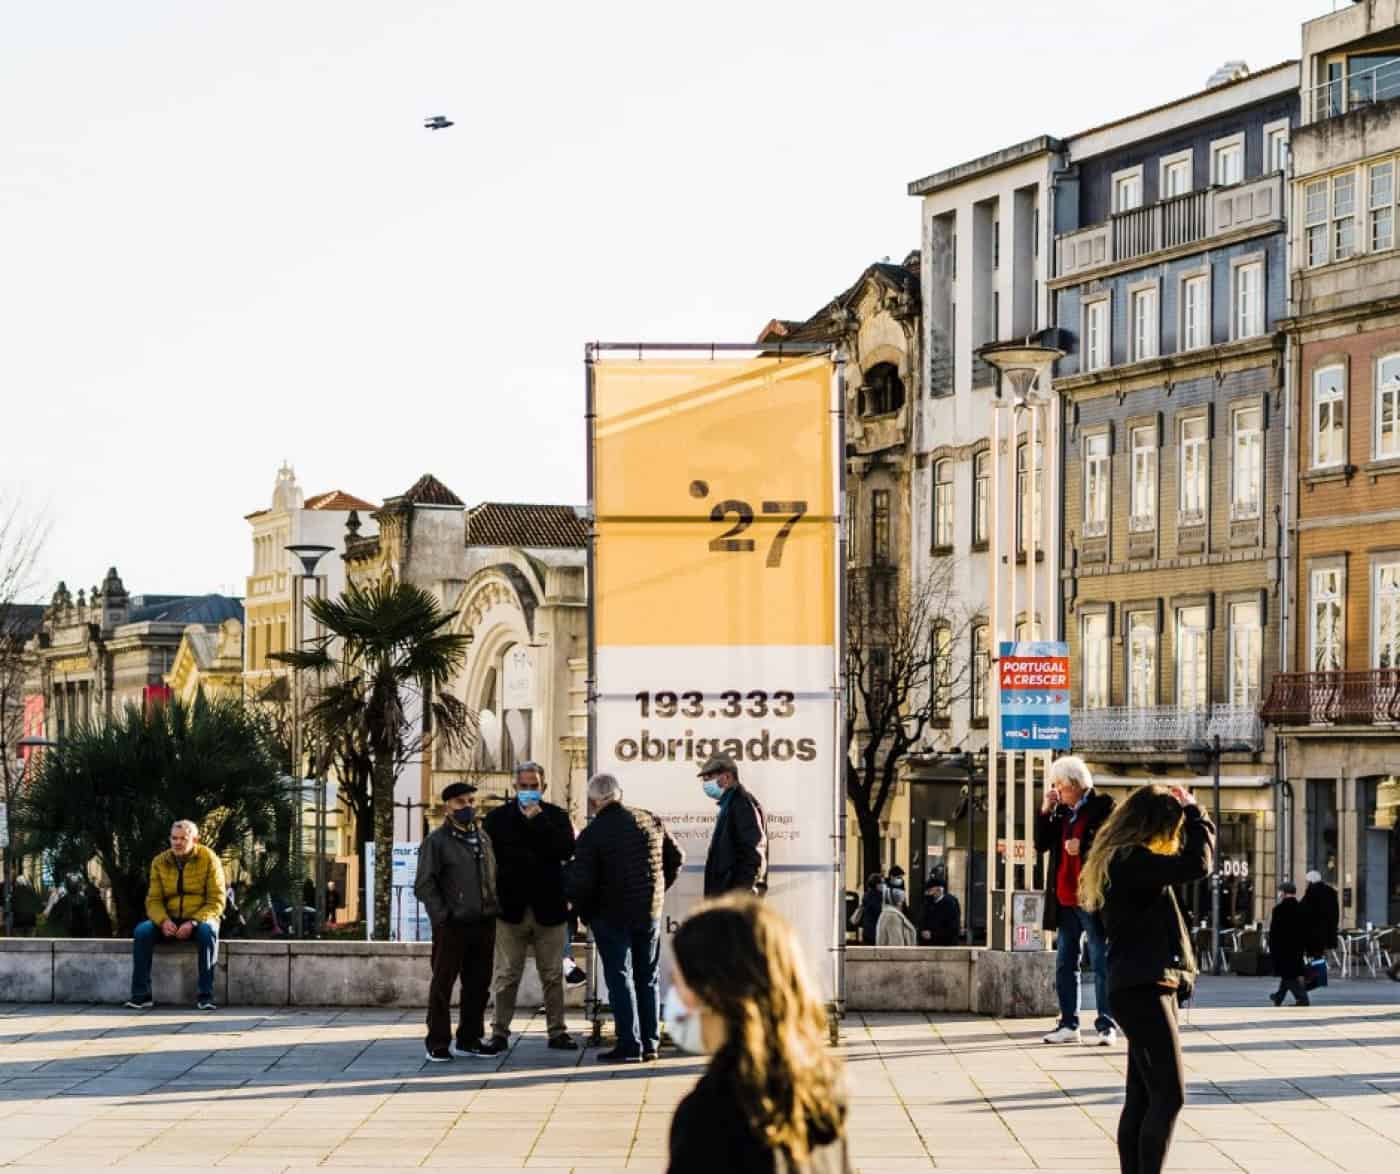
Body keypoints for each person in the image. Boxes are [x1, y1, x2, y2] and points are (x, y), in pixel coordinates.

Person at [1080, 783, 1215, 1174]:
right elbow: (1196, 865)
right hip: (1144, 989)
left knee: (1141, 1098)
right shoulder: (1131, 862)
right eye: (1170, 828)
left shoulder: (1119, 860)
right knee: (1169, 1096)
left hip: (1139, 985)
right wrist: (1195, 813)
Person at [664, 896, 849, 1173]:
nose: (674, 997)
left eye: (678, 983)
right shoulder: (820, 1094)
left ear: (713, 993)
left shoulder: (710, 1116)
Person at [565, 772, 683, 1063]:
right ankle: (650, 1043)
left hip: (611, 915)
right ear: (619, 793)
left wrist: (583, 912)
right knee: (648, 977)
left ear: (593, 801)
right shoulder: (649, 819)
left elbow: (582, 882)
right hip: (648, 912)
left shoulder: (593, 833)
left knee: (620, 978)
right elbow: (676, 857)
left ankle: (630, 1044)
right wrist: (657, 890)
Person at [481, 760, 579, 1054]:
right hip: (510, 911)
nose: (528, 791)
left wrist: (538, 819)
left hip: (549, 910)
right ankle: (499, 1033)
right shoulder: (497, 819)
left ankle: (557, 1032)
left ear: (543, 787)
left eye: (533, 786)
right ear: (514, 787)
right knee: (506, 974)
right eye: (523, 787)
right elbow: (487, 861)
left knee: (551, 975)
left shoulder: (557, 817)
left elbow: (566, 850)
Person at [413, 781, 499, 1063]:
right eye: (461, 802)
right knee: (442, 985)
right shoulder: (436, 842)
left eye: (471, 801)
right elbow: (424, 885)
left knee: (478, 985)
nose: (468, 807)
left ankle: (470, 1039)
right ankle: (437, 1042)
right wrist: (443, 917)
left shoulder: (484, 838)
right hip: (453, 925)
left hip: (483, 922)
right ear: (447, 805)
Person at [1035, 754, 1117, 1045]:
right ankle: (1068, 1023)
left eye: (1059, 785)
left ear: (1074, 784)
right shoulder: (1061, 812)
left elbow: (1112, 844)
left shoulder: (1103, 805)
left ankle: (1106, 1024)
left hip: (1090, 896)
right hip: (1065, 897)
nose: (1056, 790)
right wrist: (1046, 809)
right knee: (1065, 962)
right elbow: (1041, 844)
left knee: (1099, 960)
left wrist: (1082, 846)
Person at [125, 819, 226, 1012]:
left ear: (195, 840)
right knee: (142, 931)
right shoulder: (159, 862)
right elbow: (153, 900)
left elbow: (217, 901)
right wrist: (163, 921)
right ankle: (141, 996)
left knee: (208, 932)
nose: (177, 843)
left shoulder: (209, 858)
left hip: (200, 918)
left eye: (183, 839)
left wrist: (194, 922)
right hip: (169, 919)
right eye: (174, 838)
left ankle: (205, 997)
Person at [699, 753, 768, 898]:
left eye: (708, 778)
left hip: (735, 901)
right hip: (728, 899)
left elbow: (753, 855)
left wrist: (739, 898)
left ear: (727, 777)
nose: (705, 784)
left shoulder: (742, 804)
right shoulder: (731, 803)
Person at [1269, 882, 1310, 1007]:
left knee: (1288, 974)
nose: (1278, 893)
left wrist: (1272, 947)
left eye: (1280, 891)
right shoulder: (1302, 908)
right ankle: (1278, 997)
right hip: (1298, 947)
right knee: (1289, 972)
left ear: (1283, 892)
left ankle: (1302, 998)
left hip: (1283, 948)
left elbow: (1274, 932)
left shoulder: (1278, 910)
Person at [1299, 869, 1340, 959]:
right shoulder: (1331, 892)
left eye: (1307, 881)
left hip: (1313, 932)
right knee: (1320, 955)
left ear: (1310, 881)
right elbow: (1336, 912)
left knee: (1314, 955)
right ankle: (1321, 969)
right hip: (1328, 930)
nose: (1306, 883)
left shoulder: (1311, 892)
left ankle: (1317, 971)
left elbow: (1302, 909)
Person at [920, 876, 961, 946]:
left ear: (939, 890)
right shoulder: (928, 902)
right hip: (929, 944)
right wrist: (923, 931)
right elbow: (922, 919)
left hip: (946, 944)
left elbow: (953, 927)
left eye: (930, 890)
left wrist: (933, 934)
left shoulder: (951, 902)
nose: (928, 893)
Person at [852, 874, 884, 946]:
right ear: (876, 884)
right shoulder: (875, 896)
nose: (883, 885)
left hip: (867, 929)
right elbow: (879, 910)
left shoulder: (867, 894)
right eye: (882, 883)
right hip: (873, 930)